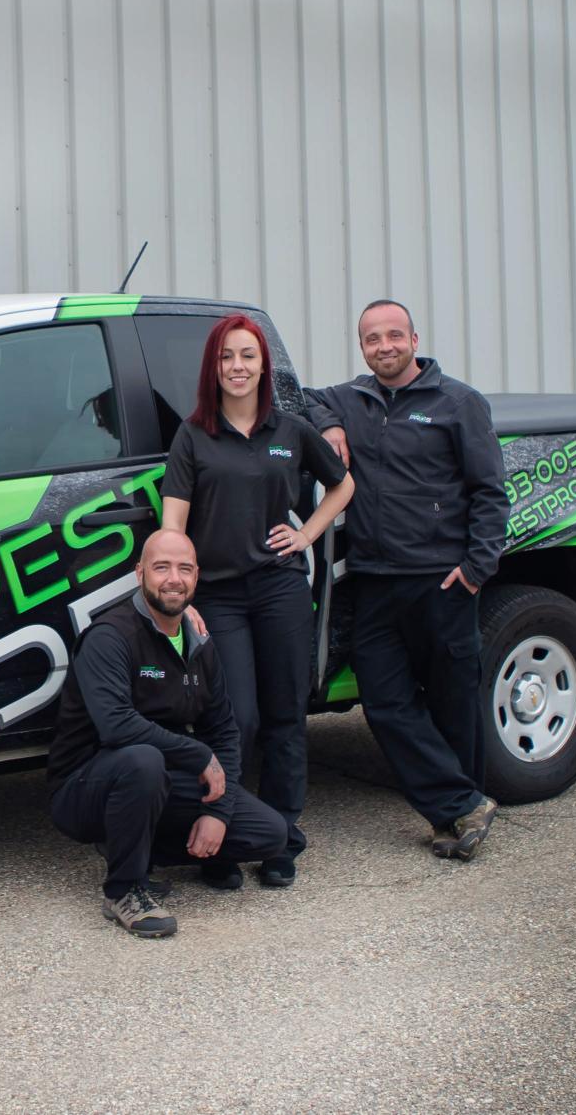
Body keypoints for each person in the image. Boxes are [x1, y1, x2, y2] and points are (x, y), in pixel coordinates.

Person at [306, 299, 510, 860]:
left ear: (415, 340)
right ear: (362, 347)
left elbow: (490, 492)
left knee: (453, 703)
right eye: (372, 339)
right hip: (374, 580)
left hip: (442, 581)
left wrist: (476, 569)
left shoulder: (458, 402)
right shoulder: (351, 399)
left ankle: (454, 820)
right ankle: (464, 803)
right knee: (384, 700)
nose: (385, 347)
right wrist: (329, 424)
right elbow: (304, 397)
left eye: (394, 335)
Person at [160, 314, 354, 890]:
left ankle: (281, 837)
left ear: (264, 365)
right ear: (212, 367)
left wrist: (308, 533)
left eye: (247, 355)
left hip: (279, 589)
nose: (237, 367)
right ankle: (225, 835)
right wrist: (182, 595)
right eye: (226, 357)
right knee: (235, 719)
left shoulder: (290, 430)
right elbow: (173, 527)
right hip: (218, 597)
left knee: (285, 716)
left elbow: (343, 484)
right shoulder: (193, 435)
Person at [47, 529, 288, 938]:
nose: (174, 579)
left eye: (184, 569)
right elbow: (117, 725)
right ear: (139, 573)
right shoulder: (110, 636)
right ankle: (124, 889)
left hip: (157, 779)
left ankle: (134, 846)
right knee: (143, 760)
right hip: (86, 787)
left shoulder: (199, 643)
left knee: (269, 834)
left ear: (196, 576)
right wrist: (198, 756)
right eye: (161, 568)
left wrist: (216, 813)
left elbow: (223, 730)